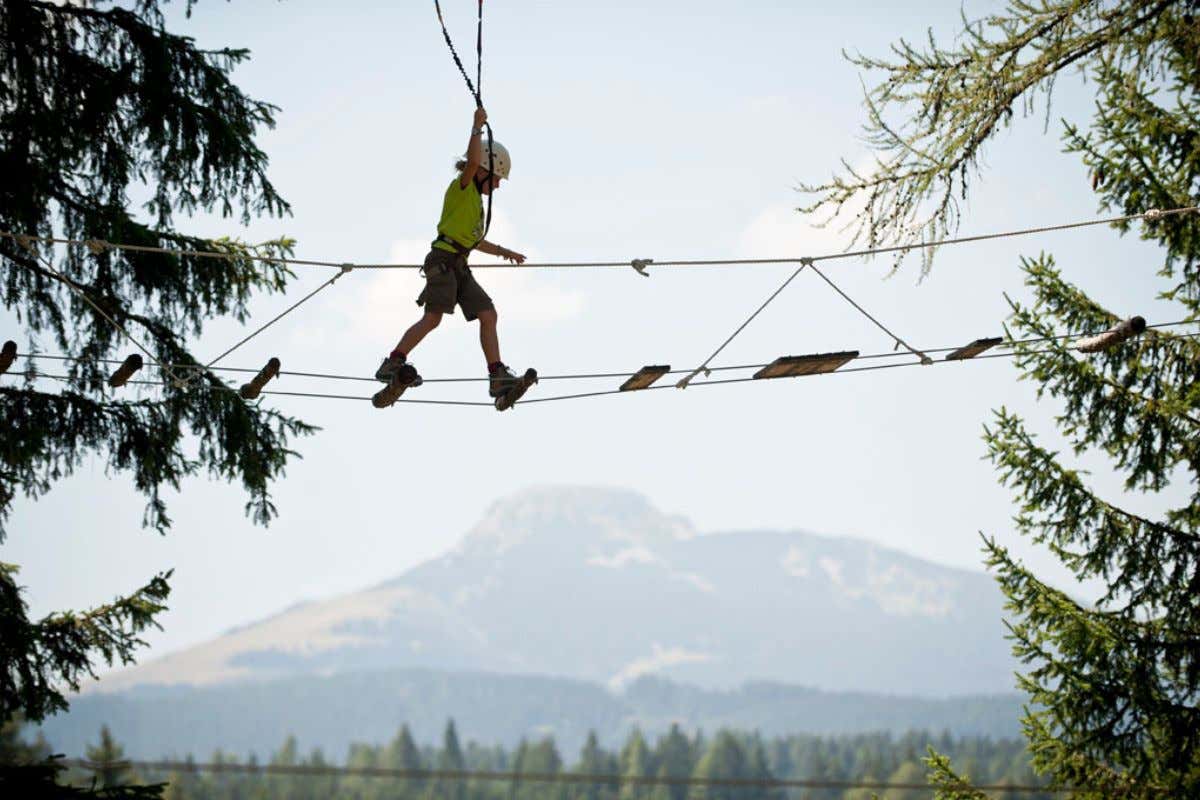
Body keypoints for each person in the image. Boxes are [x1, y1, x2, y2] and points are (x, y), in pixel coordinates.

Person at [375, 106, 526, 398]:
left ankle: (496, 375)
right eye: (496, 178)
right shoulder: (464, 187)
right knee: (433, 318)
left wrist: (505, 252)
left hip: (459, 264)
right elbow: (470, 161)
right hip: (443, 261)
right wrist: (476, 126)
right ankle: (393, 362)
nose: (497, 185)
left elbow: (474, 242)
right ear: (483, 169)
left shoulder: (476, 204)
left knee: (488, 314)